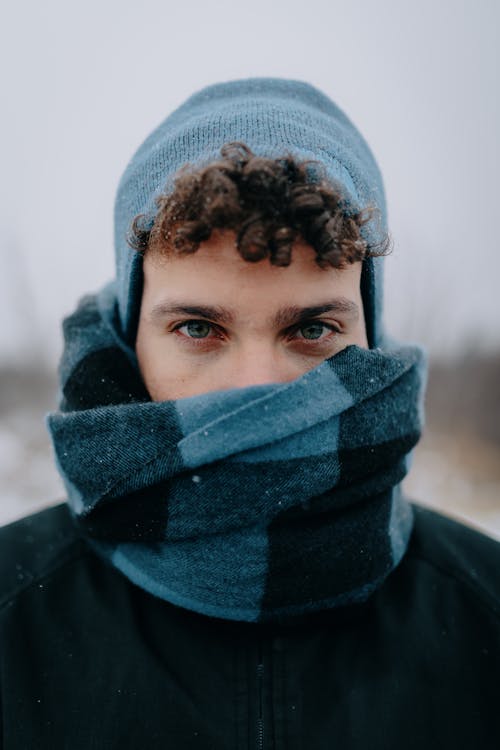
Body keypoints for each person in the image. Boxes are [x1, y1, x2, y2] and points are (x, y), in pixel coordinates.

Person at [0, 78, 499, 749]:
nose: (258, 388)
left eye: (313, 329)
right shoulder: (12, 615)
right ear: (131, 337)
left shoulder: (484, 617)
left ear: (367, 336)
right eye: (200, 329)